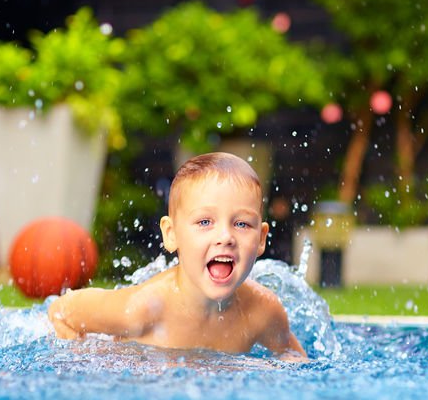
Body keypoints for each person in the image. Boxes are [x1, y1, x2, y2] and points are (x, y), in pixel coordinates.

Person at [48, 152, 307, 361]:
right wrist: (85, 357)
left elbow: (292, 355)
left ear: (261, 239)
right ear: (171, 234)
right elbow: (62, 310)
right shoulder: (141, 309)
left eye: (241, 224)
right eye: (205, 221)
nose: (225, 237)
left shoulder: (263, 311)